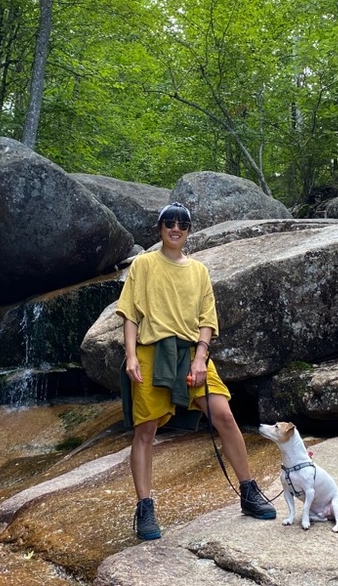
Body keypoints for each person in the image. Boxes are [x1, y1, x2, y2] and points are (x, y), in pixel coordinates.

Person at [116, 201, 276, 540]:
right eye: (170, 223)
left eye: (183, 224)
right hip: (152, 351)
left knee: (224, 415)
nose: (176, 228)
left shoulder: (199, 270)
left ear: (189, 231)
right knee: (145, 431)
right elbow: (131, 314)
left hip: (192, 353)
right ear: (160, 228)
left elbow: (207, 320)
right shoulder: (144, 264)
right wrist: (130, 356)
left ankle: (249, 491)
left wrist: (201, 357)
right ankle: (145, 508)